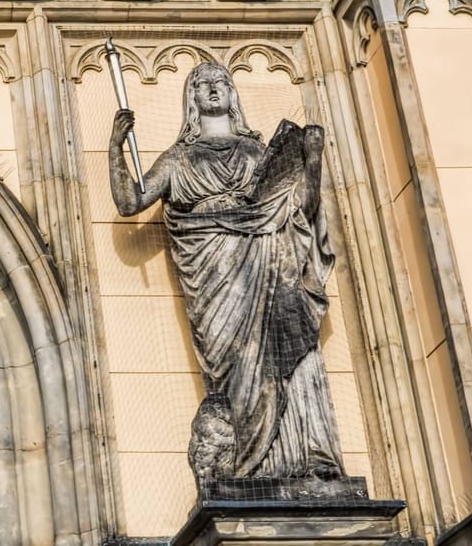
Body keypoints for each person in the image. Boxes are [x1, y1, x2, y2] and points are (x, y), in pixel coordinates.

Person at [109, 61, 342, 483]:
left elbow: (299, 211)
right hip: (213, 272)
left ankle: (289, 461)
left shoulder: (256, 153)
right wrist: (115, 147)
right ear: (191, 99)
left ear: (232, 94)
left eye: (221, 82)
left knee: (279, 355)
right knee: (234, 363)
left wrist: (312, 160)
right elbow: (130, 202)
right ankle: (244, 467)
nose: (213, 89)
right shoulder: (180, 158)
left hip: (266, 259)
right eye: (202, 85)